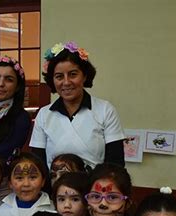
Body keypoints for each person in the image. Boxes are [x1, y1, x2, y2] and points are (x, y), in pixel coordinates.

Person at [30, 41, 125, 169]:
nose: (66, 82)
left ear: (85, 76)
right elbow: (38, 165)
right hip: (53, 187)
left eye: (73, 74)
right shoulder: (44, 114)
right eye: (59, 76)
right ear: (52, 80)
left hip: (95, 187)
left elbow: (115, 164)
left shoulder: (105, 110)